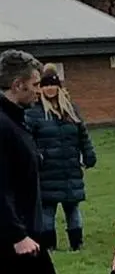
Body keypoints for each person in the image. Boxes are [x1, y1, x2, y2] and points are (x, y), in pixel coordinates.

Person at [0, 50, 65, 274]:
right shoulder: (2, 124)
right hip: (14, 238)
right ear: (17, 84)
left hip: (27, 231)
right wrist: (16, 234)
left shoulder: (17, 120)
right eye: (35, 84)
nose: (39, 91)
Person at [26, 68, 97, 251]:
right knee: (47, 210)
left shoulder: (71, 110)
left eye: (53, 85)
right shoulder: (35, 112)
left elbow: (83, 135)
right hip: (46, 170)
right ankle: (49, 245)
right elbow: (28, 139)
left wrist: (89, 155)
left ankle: (77, 243)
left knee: (72, 208)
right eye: (46, 85)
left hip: (69, 168)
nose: (50, 89)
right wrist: (37, 158)